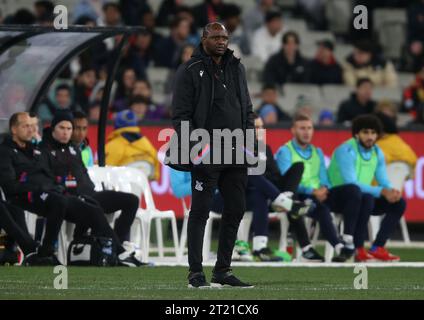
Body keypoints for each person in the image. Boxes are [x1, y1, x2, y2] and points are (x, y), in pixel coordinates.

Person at [170, 22, 255, 288]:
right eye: (215, 36)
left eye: (225, 37)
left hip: (235, 150)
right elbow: (181, 116)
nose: (221, 41)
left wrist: (247, 143)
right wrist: (199, 149)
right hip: (206, 152)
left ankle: (223, 271)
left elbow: (247, 108)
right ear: (204, 38)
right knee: (200, 212)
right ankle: (196, 273)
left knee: (236, 208)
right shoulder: (190, 70)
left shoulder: (236, 67)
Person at [0, 112, 141, 266]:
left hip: (54, 192)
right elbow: (10, 185)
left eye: (32, 126)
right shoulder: (10, 151)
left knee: (92, 209)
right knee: (59, 201)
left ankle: (119, 253)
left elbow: (46, 176)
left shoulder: (35, 150)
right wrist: (46, 187)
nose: (30, 130)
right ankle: (46, 252)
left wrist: (54, 187)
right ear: (14, 129)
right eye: (25, 126)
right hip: (29, 195)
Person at [39, 112, 142, 255]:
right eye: (63, 128)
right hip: (67, 198)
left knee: (131, 200)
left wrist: (90, 189)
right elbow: (46, 180)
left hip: (89, 194)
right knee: (90, 206)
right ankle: (116, 250)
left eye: (69, 129)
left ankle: (115, 244)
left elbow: (83, 174)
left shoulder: (74, 149)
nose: (66, 132)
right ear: (53, 129)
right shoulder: (44, 150)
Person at [275, 114, 365, 262]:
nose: (306, 132)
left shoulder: (318, 152)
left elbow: (325, 178)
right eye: (302, 128)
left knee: (353, 190)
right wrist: (312, 191)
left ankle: (347, 238)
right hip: (300, 196)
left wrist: (324, 188)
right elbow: (287, 184)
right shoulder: (286, 151)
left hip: (320, 194)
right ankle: (339, 248)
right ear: (293, 130)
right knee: (321, 209)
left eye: (309, 128)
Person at [328, 115, 406, 262]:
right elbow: (351, 182)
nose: (370, 137)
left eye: (373, 133)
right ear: (357, 134)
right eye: (365, 132)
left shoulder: (377, 152)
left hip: (361, 197)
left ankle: (377, 247)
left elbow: (383, 180)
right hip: (338, 197)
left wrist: (391, 191)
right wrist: (381, 191)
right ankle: (358, 248)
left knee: (399, 203)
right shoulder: (346, 150)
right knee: (362, 195)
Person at [105, 110, 160, 181]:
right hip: (141, 183)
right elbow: (155, 173)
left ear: (116, 123)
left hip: (120, 185)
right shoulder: (146, 142)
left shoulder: (114, 145)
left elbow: (104, 171)